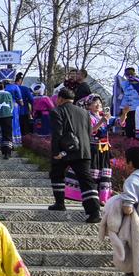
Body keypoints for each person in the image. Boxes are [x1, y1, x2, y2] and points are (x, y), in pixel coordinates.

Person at [100, 147, 139, 276]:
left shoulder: (133, 180)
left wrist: (119, 203)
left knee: (134, 264)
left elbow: (128, 207)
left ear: (131, 163)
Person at [49, 88, 101, 223]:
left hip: (64, 151)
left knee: (56, 174)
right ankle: (94, 212)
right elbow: (89, 132)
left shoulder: (57, 111)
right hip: (83, 150)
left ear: (60, 99)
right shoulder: (84, 112)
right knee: (86, 180)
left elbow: (57, 133)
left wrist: (56, 153)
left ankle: (60, 203)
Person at [65, 96, 113, 207]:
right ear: (89, 106)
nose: (98, 105)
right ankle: (91, 197)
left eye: (99, 103)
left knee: (103, 174)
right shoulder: (87, 117)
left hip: (104, 150)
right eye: (95, 103)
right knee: (92, 173)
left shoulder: (104, 116)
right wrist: (101, 122)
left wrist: (124, 114)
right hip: (92, 148)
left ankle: (102, 198)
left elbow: (119, 122)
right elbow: (89, 131)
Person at [115, 66, 139, 139]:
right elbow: (123, 95)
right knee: (128, 127)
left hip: (138, 108)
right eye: (127, 74)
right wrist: (122, 107)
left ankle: (138, 139)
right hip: (128, 109)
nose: (129, 75)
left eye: (131, 73)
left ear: (134, 73)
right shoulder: (124, 84)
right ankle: (130, 140)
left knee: (137, 126)